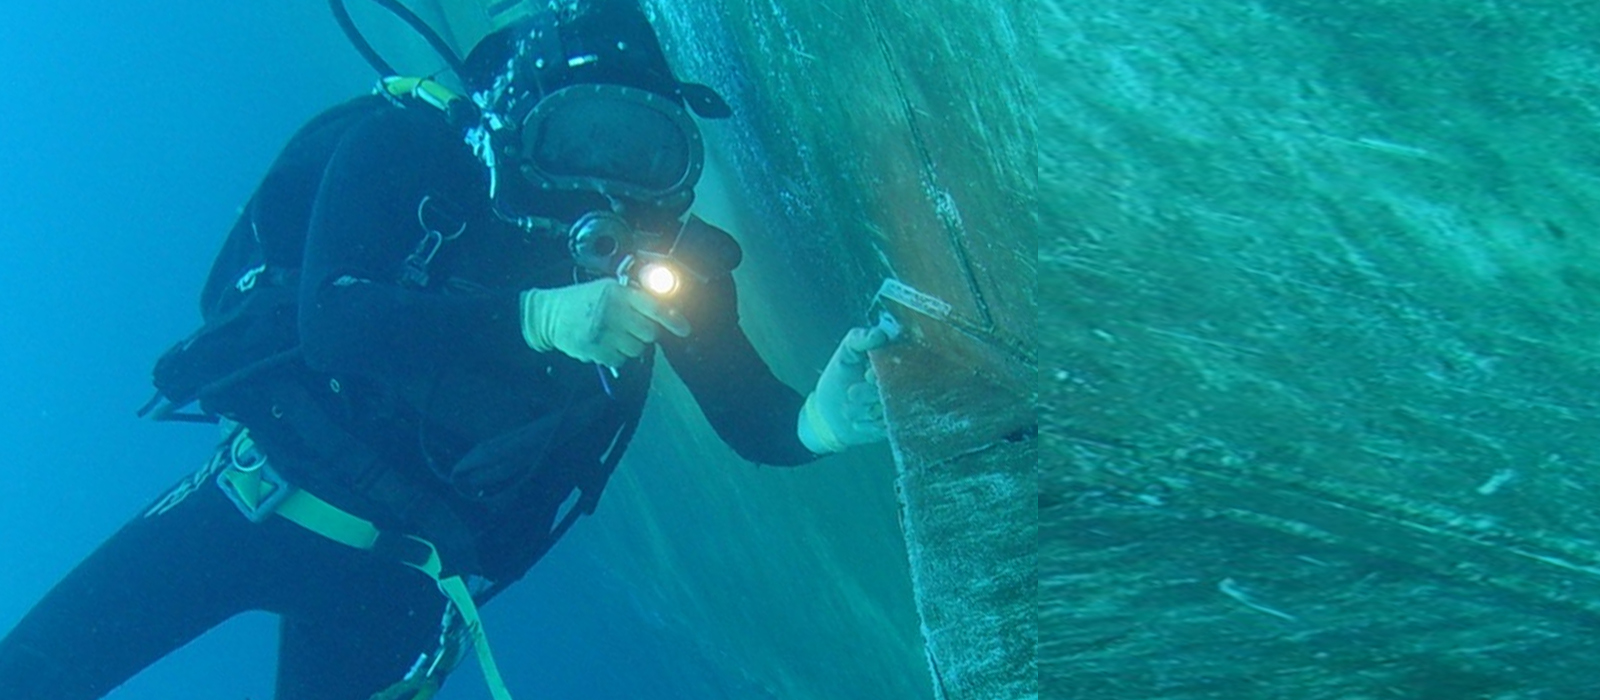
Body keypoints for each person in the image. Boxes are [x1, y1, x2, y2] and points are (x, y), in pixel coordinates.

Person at [0, 2, 890, 698]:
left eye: (644, 151)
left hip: (397, 586)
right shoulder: (409, 148)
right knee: (30, 676)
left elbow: (756, 421)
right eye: (579, 136)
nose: (602, 182)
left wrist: (821, 420)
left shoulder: (669, 265)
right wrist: (534, 317)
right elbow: (334, 321)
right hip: (249, 507)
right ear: (518, 116)